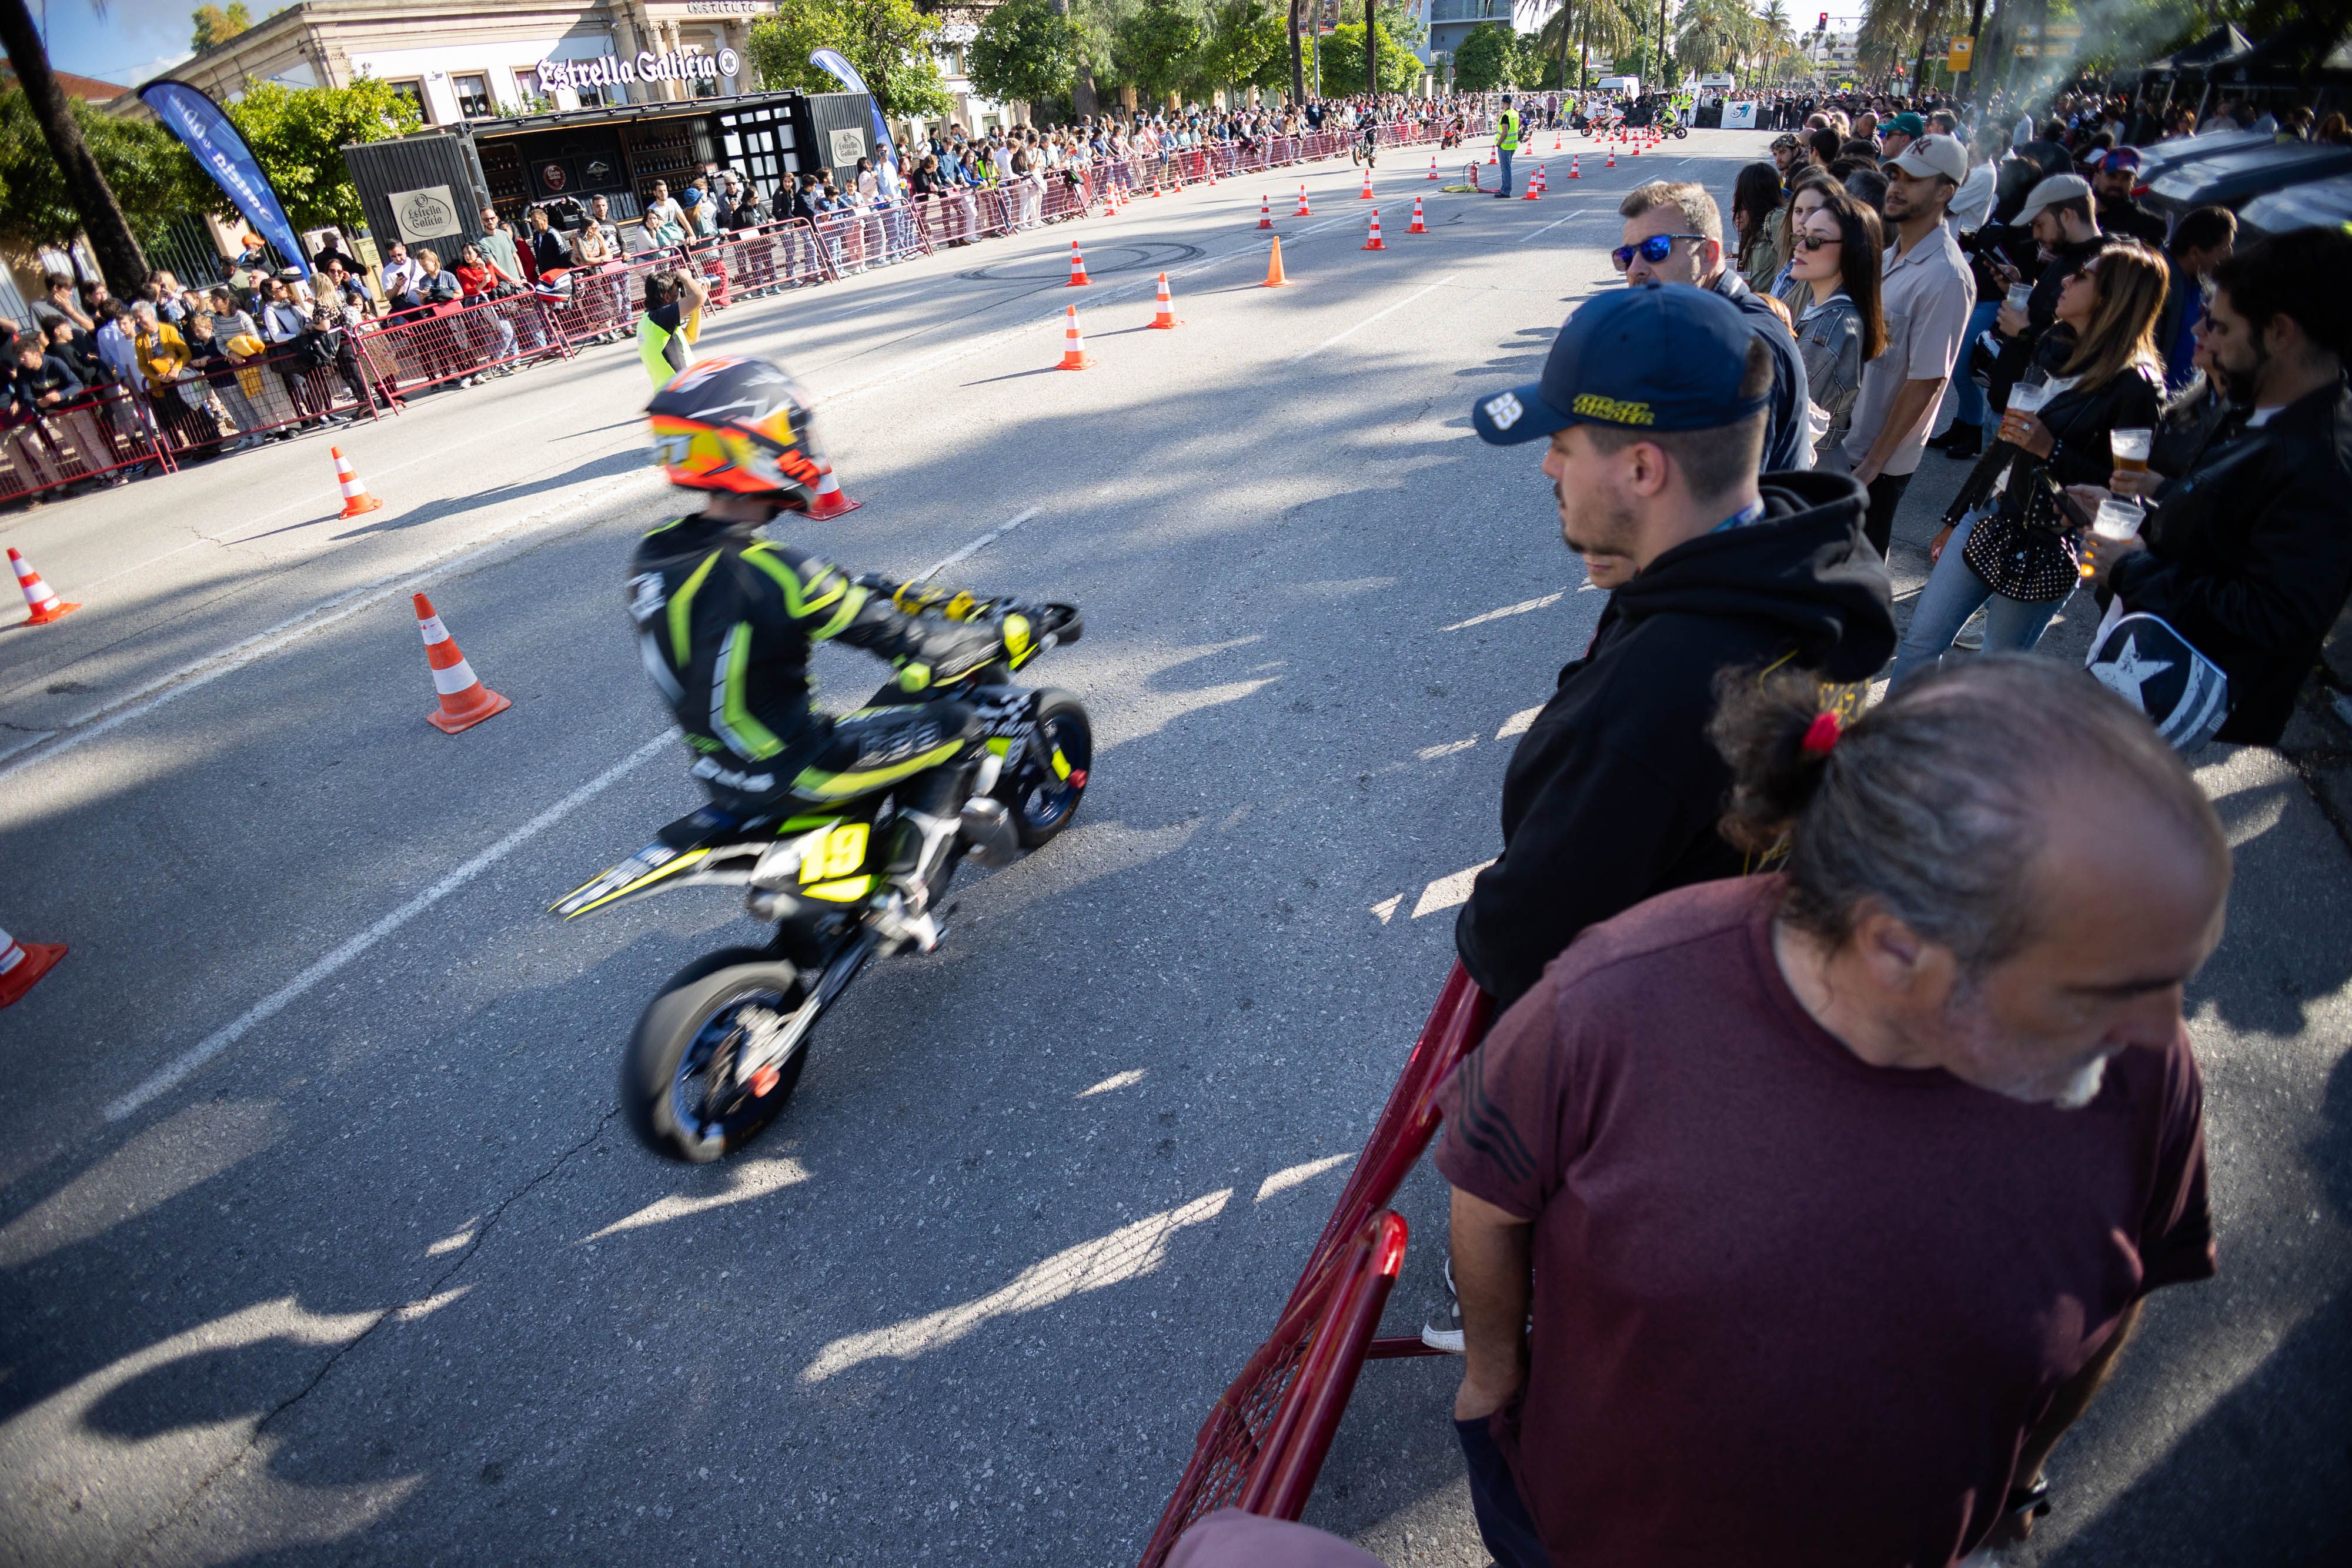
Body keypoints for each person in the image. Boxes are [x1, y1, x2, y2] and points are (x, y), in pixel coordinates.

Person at [1439, 653, 2227, 1568]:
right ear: (1895, 945)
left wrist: (2021, 1476)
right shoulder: (1610, 1004)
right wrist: (1492, 1380)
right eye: (2092, 988)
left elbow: (2118, 1292)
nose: (2155, 1028)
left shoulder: (2142, 1064)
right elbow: (1488, 1200)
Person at [1453, 285, 1893, 1009]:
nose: (1548, 470)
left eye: (1563, 447)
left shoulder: (1642, 712)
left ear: (1641, 469)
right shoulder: (1813, 571)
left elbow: (1511, 943)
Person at [632, 357, 1017, 942]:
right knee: (961, 724)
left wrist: (861, 588)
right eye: (792, 431)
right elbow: (909, 641)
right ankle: (904, 893)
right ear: (757, 444)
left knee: (881, 717)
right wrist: (996, 634)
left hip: (718, 775)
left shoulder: (654, 555)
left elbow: (789, 598)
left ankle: (852, 860)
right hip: (801, 768)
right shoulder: (779, 571)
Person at [2082, 226, 2352, 746]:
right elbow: (2231, 518)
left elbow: (2274, 616)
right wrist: (2153, 503)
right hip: (2146, 655)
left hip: (2180, 697)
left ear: (2279, 333)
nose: (2202, 335)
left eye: (2222, 328)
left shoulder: (2322, 463)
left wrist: (2133, 568)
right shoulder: (2260, 404)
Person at [1889, 239, 2169, 687]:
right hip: (1989, 514)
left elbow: (2128, 492)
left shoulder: (2137, 387)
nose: (2066, 280)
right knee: (1921, 639)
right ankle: (1889, 748)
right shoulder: (2055, 345)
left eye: (2083, 276)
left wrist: (2051, 450)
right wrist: (1956, 515)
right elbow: (2005, 443)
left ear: (2114, 298)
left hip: (2047, 539)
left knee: (1993, 676)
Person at [1616, 180, 1813, 473]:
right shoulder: (1703, 324)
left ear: (1708, 254)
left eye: (1656, 249)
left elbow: (1720, 494)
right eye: (1627, 256)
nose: (1635, 270)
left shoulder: (1738, 345)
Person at [1842, 132, 1974, 555]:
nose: (1896, 186)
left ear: (1945, 192)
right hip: (1845, 443)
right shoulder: (1891, 252)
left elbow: (1927, 380)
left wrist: (1875, 463)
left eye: (1913, 179)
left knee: (1855, 583)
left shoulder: (1946, 276)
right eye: (1895, 174)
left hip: (1874, 462)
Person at [1787, 189, 1887, 464]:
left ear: (1853, 251)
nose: (1800, 247)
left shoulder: (1830, 329)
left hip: (1806, 468)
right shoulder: (1826, 309)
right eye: (1802, 235)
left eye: (1816, 241)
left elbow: (1783, 419)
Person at [2155, 205, 2235, 391]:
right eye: (2224, 247)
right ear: (2195, 253)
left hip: (2179, 403)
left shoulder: (2200, 284)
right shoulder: (2157, 284)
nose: (2230, 253)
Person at [636, 268, 709, 387]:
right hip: (683, 388)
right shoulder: (662, 317)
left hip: (668, 394)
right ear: (667, 297)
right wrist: (686, 277)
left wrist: (697, 307)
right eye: (677, 293)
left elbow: (691, 337)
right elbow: (698, 297)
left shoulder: (648, 321)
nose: (679, 297)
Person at [2089, 148, 2166, 248]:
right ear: (2097, 178)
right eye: (2112, 176)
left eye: (2126, 178)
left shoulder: (2148, 225)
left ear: (2133, 183)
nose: (2117, 184)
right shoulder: (2080, 216)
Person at [1730, 162, 1784, 288]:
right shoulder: (1752, 230)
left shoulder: (1776, 219)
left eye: (1743, 208)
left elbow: (1789, 267)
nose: (1737, 216)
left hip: (1770, 304)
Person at [1494, 93, 1522, 199]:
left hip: (1505, 146)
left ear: (1504, 103)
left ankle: (1506, 191)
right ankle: (1505, 189)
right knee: (1507, 168)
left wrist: (1499, 143)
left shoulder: (1506, 115)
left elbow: (1504, 132)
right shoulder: (1515, 113)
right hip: (1513, 145)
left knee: (1506, 170)